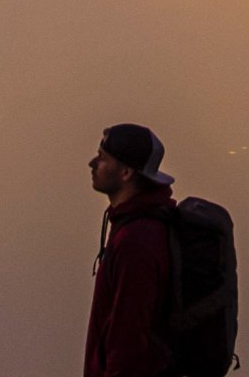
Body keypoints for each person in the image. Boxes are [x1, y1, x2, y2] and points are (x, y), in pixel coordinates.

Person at [83, 122, 177, 377]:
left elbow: (129, 339)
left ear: (126, 172)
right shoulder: (134, 228)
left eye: (103, 158)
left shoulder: (136, 240)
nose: (92, 163)